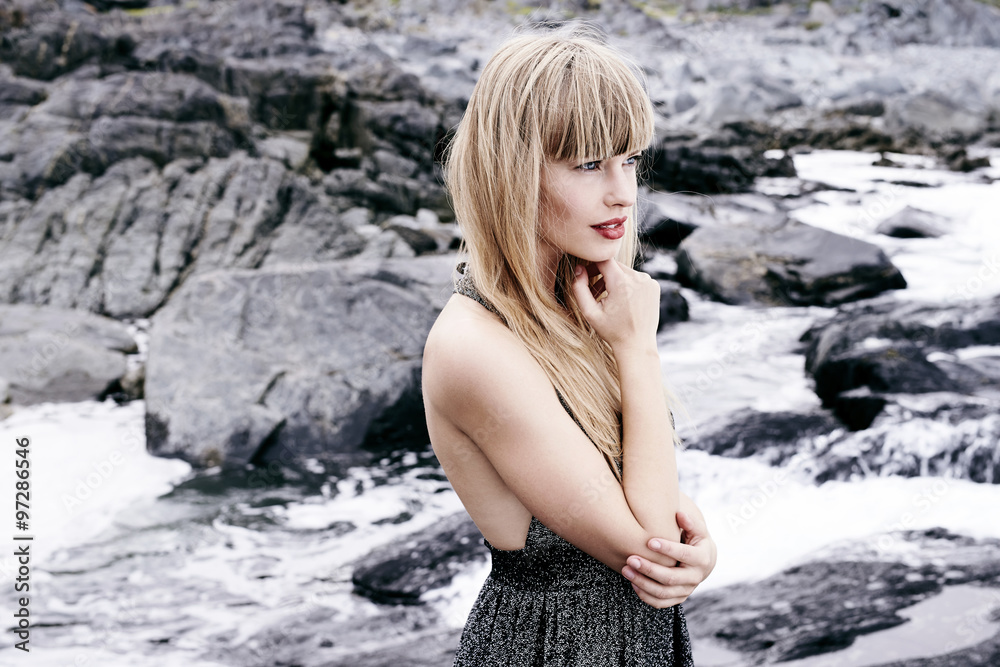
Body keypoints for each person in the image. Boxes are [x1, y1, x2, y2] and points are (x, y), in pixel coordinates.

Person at [422, 24, 716, 666]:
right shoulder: (475, 347)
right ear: (513, 169)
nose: (622, 191)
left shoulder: (571, 310)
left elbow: (641, 495)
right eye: (587, 164)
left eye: (629, 159)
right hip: (551, 647)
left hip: (632, 644)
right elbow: (647, 540)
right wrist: (637, 350)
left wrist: (701, 551)